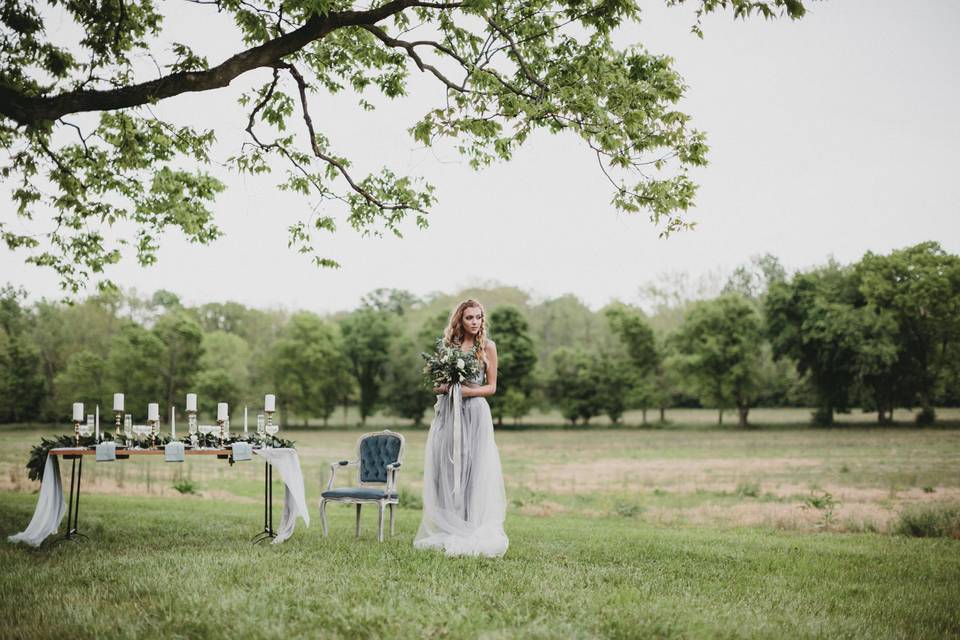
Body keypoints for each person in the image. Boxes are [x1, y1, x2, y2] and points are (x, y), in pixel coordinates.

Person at [413, 299, 509, 557]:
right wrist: (447, 389)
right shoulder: (449, 347)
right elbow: (436, 385)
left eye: (478, 317)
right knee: (448, 466)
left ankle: (472, 524)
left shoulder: (488, 347)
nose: (475, 322)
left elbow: (491, 387)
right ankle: (452, 524)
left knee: (474, 467)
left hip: (475, 413)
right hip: (449, 412)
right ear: (460, 320)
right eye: (469, 318)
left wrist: (464, 391)